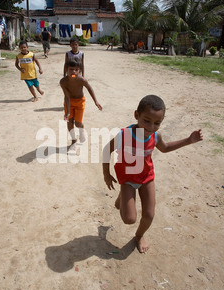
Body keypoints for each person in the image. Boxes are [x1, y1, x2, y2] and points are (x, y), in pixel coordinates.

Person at [102, 95, 203, 253]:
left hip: (146, 178)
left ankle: (139, 235)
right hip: (127, 179)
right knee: (129, 219)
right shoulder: (125, 135)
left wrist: (188, 140)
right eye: (146, 121)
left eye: (157, 123)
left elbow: (165, 147)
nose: (151, 127)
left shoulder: (155, 136)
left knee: (149, 214)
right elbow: (106, 150)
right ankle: (124, 195)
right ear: (137, 115)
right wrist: (106, 174)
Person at [60, 59, 102, 151]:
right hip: (69, 102)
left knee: (78, 123)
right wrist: (67, 112)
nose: (73, 72)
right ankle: (73, 141)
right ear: (66, 69)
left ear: (79, 71)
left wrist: (96, 101)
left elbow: (89, 88)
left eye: (76, 70)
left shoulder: (81, 80)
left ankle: (82, 131)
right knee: (69, 122)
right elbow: (67, 97)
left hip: (80, 102)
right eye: (71, 69)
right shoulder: (63, 81)